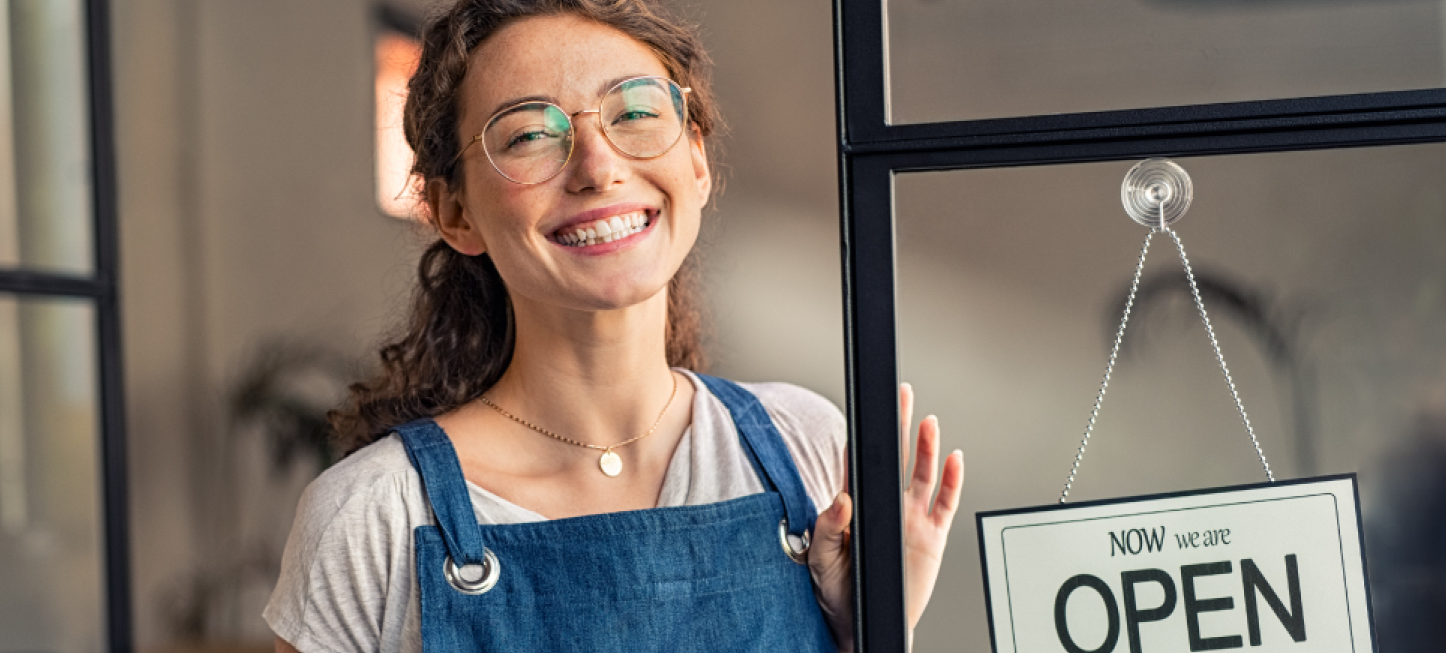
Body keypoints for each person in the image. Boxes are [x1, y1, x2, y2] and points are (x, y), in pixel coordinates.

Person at [265, 1, 964, 650]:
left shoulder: (807, 446)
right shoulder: (370, 517)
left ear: (695, 161)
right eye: (531, 134)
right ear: (454, 213)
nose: (599, 167)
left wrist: (869, 634)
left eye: (632, 113)